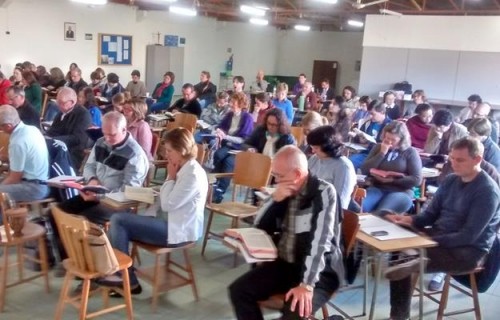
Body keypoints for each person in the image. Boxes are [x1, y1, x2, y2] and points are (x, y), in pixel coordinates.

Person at [384, 137, 500, 320]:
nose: (453, 164)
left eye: (459, 160)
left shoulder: (487, 191)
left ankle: (398, 315)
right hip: (439, 237)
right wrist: (409, 220)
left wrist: (429, 240)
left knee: (404, 255)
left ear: (477, 159)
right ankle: (399, 313)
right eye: (451, 158)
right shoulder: (451, 180)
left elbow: (469, 236)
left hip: (467, 251)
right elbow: (430, 215)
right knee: (395, 239)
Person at [229, 145, 344, 320]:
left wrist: (306, 285)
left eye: (279, 176)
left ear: (297, 174)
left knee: (293, 313)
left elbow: (321, 243)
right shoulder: (285, 188)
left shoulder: (324, 193)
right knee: (239, 291)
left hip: (319, 274)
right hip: (286, 265)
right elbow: (258, 226)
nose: (275, 181)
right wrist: (275, 200)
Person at [101, 128, 208, 295]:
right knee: (119, 223)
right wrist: (156, 191)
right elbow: (169, 196)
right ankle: (125, 277)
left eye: (169, 150)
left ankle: (124, 277)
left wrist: (170, 177)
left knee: (118, 221)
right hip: (168, 222)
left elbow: (168, 204)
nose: (166, 155)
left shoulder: (192, 174)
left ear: (182, 150)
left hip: (179, 231)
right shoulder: (182, 166)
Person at [51, 111, 149, 262]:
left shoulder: (135, 155)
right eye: (105, 133)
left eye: (112, 134)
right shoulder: (101, 142)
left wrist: (100, 195)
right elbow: (89, 166)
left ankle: (87, 263)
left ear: (124, 130)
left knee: (79, 222)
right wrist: (92, 180)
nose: (107, 139)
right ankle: (70, 259)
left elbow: (129, 191)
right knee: (57, 212)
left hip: (116, 203)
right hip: (94, 194)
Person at [361, 121, 422, 213]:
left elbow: (417, 179)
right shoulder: (378, 147)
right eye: (387, 138)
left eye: (393, 140)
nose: (389, 142)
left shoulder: (410, 152)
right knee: (359, 207)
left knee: (382, 212)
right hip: (377, 188)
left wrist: (392, 180)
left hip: (401, 191)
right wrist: (382, 154)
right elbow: (364, 170)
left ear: (401, 140)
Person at [0, 105, 49, 202]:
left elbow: (14, 178)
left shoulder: (17, 142)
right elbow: (26, 156)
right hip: (42, 182)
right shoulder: (32, 129)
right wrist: (5, 157)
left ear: (8, 126)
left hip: (33, 188)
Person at [211, 92, 254, 203]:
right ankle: (215, 182)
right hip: (229, 145)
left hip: (240, 148)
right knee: (218, 154)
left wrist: (226, 136)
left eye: (233, 102)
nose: (230, 103)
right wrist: (219, 131)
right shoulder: (230, 115)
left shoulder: (247, 118)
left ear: (240, 103)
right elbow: (221, 126)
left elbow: (243, 140)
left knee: (229, 162)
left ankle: (221, 190)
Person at [307, 125, 356, 210]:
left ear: (328, 146)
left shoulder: (343, 167)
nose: (313, 151)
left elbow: (340, 202)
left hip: (328, 211)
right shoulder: (315, 159)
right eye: (312, 147)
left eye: (316, 148)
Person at [45, 87, 92, 170]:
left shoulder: (83, 114)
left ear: (72, 102)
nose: (58, 105)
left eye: (61, 103)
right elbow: (53, 131)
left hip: (72, 153)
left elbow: (78, 138)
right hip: (56, 148)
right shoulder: (62, 112)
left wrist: (54, 140)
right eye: (57, 102)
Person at [348, 100, 392, 170]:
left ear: (382, 112)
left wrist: (368, 144)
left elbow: (388, 145)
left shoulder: (390, 126)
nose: (370, 116)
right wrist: (358, 138)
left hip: (379, 155)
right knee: (348, 162)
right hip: (366, 153)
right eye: (369, 114)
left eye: (373, 114)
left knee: (351, 162)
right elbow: (360, 135)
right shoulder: (368, 123)